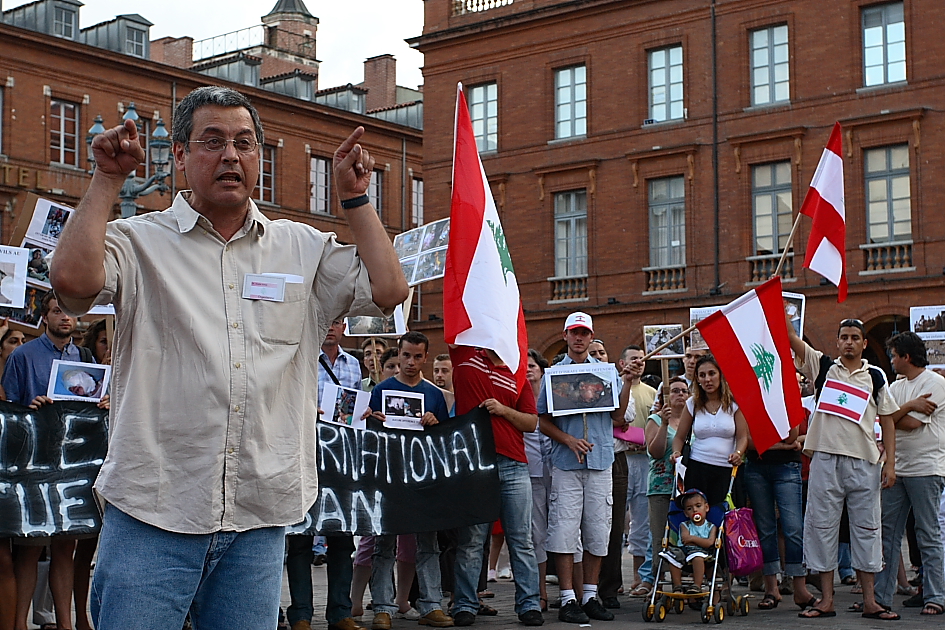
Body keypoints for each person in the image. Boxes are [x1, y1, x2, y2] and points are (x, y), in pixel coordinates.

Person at [49, 86, 408, 630]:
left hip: (257, 519)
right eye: (211, 142)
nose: (230, 156)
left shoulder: (302, 248)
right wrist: (106, 179)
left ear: (259, 155)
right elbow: (72, 283)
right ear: (179, 156)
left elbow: (389, 289)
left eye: (244, 143)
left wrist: (356, 199)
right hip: (154, 513)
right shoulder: (138, 242)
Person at [785, 317, 899, 620]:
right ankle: (826, 600)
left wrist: (891, 463)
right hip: (825, 459)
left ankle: (871, 601)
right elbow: (790, 336)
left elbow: (888, 419)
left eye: (854, 337)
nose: (849, 342)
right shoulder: (822, 367)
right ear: (837, 342)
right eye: (844, 337)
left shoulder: (875, 376)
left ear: (863, 343)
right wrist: (779, 305)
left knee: (868, 529)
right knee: (821, 529)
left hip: (864, 462)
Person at [2, 292, 100, 630]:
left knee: (65, 545)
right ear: (44, 317)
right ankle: (18, 623)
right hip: (34, 461)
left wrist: (99, 405)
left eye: (69, 312)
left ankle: (65, 623)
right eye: (57, 311)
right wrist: (31, 408)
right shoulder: (23, 357)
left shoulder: (84, 357)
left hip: (70, 462)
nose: (64, 318)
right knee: (29, 547)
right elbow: (10, 408)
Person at [537, 312, 633, 624]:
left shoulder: (606, 373)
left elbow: (618, 417)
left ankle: (590, 594)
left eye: (584, 333)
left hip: (601, 460)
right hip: (566, 463)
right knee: (564, 530)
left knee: (598, 529)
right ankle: (567, 597)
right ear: (565, 336)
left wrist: (628, 382)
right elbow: (541, 419)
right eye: (574, 333)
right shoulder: (554, 374)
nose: (579, 338)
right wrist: (567, 439)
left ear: (591, 337)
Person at [449, 342, 543, 627]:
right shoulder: (467, 358)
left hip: (514, 464)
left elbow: (530, 422)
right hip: (476, 464)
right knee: (472, 541)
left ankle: (529, 605)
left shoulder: (517, 371)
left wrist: (504, 410)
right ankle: (465, 604)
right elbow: (457, 328)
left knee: (521, 539)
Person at [365, 331, 452, 630]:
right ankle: (383, 607)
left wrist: (436, 423)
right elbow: (372, 435)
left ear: (426, 357)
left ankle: (430, 605)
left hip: (423, 477)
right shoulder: (382, 390)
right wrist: (373, 419)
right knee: (384, 542)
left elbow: (443, 439)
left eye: (417, 356)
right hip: (389, 475)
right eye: (406, 356)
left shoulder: (435, 395)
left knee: (428, 542)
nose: (411, 362)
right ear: (398, 355)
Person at [286, 319, 365, 630]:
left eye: (336, 323)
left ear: (344, 327)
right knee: (301, 539)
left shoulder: (354, 366)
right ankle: (301, 614)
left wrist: (364, 412)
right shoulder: (301, 358)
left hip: (341, 461)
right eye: (325, 322)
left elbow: (355, 406)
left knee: (342, 540)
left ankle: (340, 614)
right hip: (305, 456)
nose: (330, 329)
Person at [874, 332, 945, 615]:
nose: (891, 360)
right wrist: (908, 407)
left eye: (894, 355)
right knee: (886, 535)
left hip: (926, 467)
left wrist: (898, 415)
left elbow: (912, 423)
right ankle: (880, 597)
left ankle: (935, 595)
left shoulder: (936, 383)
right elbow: (884, 418)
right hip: (897, 466)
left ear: (907, 357)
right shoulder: (897, 386)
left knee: (927, 532)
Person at [743, 398, 817, 610]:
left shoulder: (788, 398)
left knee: (793, 527)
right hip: (756, 466)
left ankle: (799, 588)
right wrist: (781, 445)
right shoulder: (752, 400)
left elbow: (791, 435)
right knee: (765, 528)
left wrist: (773, 443)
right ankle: (771, 588)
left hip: (787, 466)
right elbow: (746, 440)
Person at [670, 355, 748, 507]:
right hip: (697, 468)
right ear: (697, 379)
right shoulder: (692, 403)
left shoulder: (734, 404)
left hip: (727, 470)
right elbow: (679, 437)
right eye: (702, 375)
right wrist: (676, 453)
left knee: (724, 518)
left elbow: (742, 437)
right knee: (698, 518)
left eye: (712, 373)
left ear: (720, 375)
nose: (707, 379)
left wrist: (738, 453)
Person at [612, 345, 655, 602]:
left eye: (641, 358)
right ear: (621, 363)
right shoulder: (614, 387)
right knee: (615, 521)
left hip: (644, 461)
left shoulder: (652, 392)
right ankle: (613, 576)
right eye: (633, 359)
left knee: (641, 520)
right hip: (619, 459)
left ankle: (639, 576)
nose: (639, 362)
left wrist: (646, 443)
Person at [645, 377, 686, 569]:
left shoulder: (692, 420)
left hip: (686, 488)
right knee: (661, 538)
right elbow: (656, 452)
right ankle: (656, 581)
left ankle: (684, 581)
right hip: (662, 486)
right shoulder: (654, 420)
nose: (680, 394)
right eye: (675, 391)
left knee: (686, 536)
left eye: (684, 391)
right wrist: (663, 424)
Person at [523, 349, 552, 612]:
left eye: (532, 365)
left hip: (559, 470)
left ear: (542, 370)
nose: (528, 369)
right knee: (536, 534)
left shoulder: (555, 393)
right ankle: (540, 591)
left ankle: (574, 591)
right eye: (524, 365)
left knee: (567, 530)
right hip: (530, 472)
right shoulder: (517, 397)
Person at [663, 489, 716, 594]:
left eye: (698, 506)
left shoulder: (711, 527)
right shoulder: (684, 525)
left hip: (703, 553)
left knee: (697, 556)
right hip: (684, 551)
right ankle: (677, 586)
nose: (695, 510)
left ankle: (697, 585)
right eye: (689, 508)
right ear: (686, 513)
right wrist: (698, 541)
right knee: (672, 556)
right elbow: (685, 539)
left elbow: (710, 543)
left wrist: (692, 539)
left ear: (706, 507)